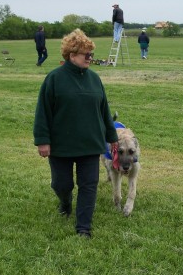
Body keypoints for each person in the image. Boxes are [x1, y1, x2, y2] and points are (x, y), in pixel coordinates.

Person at [33, 28, 119, 239]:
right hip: (61, 144)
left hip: (90, 144)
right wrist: (43, 141)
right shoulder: (54, 79)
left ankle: (83, 228)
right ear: (71, 56)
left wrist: (112, 136)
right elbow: (43, 111)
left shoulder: (95, 79)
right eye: (86, 55)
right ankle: (65, 201)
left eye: (91, 54)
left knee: (89, 185)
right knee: (62, 184)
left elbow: (104, 110)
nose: (91, 58)